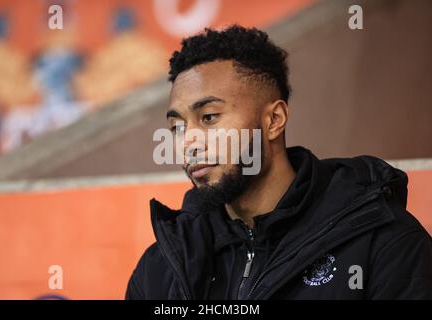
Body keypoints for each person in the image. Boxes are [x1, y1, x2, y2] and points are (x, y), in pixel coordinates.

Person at [126, 25, 432, 299]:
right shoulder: (162, 268)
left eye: (208, 118)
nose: (187, 143)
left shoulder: (383, 244)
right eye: (177, 127)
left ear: (274, 120)